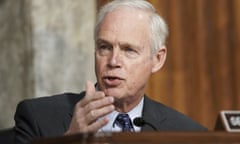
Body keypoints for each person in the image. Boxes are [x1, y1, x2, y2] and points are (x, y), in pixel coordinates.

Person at [14, 0, 207, 143]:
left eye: (129, 50)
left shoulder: (188, 134)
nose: (113, 61)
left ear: (157, 59)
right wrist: (70, 141)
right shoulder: (37, 117)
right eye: (105, 47)